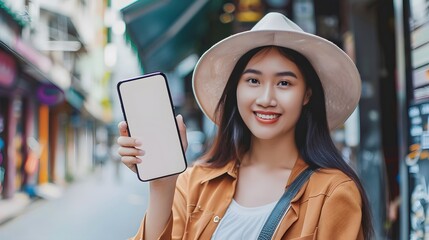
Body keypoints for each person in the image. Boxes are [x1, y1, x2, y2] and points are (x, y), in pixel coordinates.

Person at [117, 12, 374, 240]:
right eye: (253, 80)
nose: (266, 99)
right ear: (236, 89)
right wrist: (163, 183)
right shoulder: (194, 182)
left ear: (307, 95)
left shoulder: (334, 193)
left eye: (284, 83)